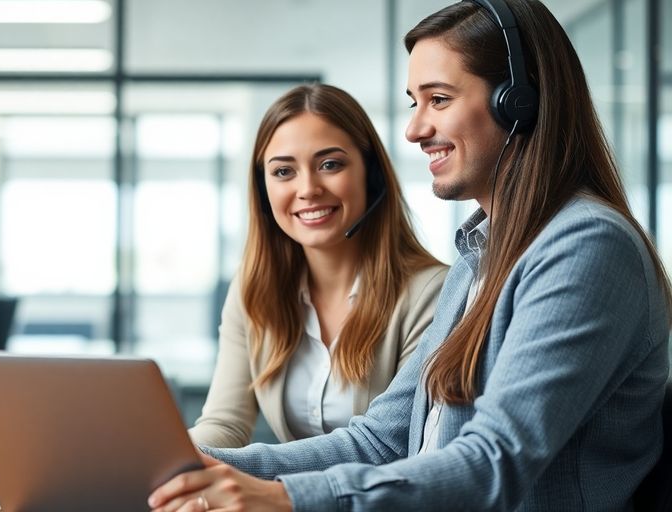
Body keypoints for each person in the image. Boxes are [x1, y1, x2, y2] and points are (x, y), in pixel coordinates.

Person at [148, 0, 672, 510]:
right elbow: (380, 441)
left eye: (438, 100)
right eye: (414, 102)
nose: (415, 130)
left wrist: (283, 498)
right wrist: (194, 462)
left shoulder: (585, 247)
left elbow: (494, 462)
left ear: (518, 102)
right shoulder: (480, 257)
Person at [189, 84, 447, 449]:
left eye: (330, 164)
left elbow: (389, 446)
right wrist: (172, 465)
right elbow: (224, 423)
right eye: (283, 172)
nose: (307, 188)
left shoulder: (431, 293)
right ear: (264, 190)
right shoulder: (254, 291)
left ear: (370, 175)